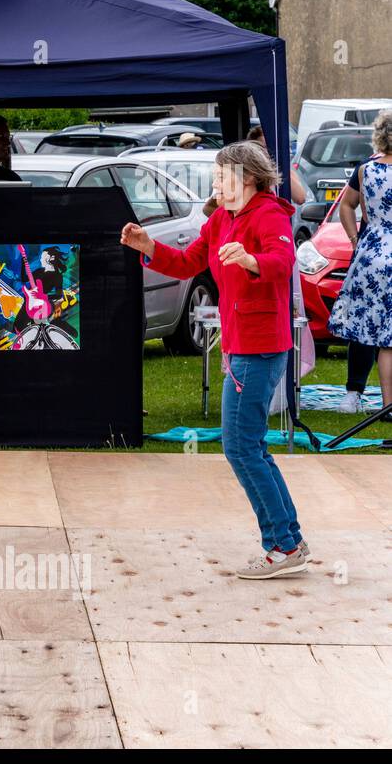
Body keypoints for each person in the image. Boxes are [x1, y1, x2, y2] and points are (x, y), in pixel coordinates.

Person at [121, 140, 308, 579]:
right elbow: (188, 263)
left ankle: (282, 545)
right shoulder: (222, 218)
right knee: (250, 447)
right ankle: (289, 540)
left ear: (246, 178)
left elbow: (282, 261)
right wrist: (148, 246)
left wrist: (250, 259)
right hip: (242, 345)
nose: (215, 183)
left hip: (259, 346)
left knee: (241, 447)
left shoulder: (269, 213)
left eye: (222, 176)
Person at [327, 108, 392, 420]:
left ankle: (354, 393)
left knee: (365, 324)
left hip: (371, 253)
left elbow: (346, 206)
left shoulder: (365, 170)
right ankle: (375, 399)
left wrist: (355, 239)